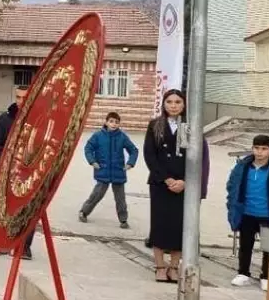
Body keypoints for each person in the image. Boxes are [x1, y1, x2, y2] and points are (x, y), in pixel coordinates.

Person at [226, 135, 269, 291]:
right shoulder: (242, 166)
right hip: (247, 212)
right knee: (245, 244)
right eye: (256, 148)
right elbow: (232, 186)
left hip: (268, 214)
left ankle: (267, 276)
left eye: (264, 149)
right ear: (252, 148)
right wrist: (232, 205)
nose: (259, 152)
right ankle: (243, 273)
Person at [144, 89, 189, 284]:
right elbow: (150, 155)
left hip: (183, 184)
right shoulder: (155, 125)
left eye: (178, 102)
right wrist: (166, 179)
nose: (173, 105)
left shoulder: (189, 127)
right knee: (160, 225)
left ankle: (174, 267)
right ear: (163, 104)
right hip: (160, 183)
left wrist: (185, 181)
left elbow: (195, 158)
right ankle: (160, 266)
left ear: (184, 105)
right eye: (169, 102)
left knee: (179, 227)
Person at [0, 86, 37, 260]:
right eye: (18, 97)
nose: (21, 101)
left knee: (28, 210)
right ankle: (2, 243)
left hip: (30, 173)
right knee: (4, 208)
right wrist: (8, 165)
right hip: (8, 173)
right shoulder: (5, 118)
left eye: (24, 97)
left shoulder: (38, 118)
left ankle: (24, 247)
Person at [80, 112, 138, 229]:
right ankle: (84, 212)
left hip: (118, 171)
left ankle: (123, 220)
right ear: (106, 122)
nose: (114, 124)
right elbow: (88, 148)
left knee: (120, 198)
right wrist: (92, 161)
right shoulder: (98, 136)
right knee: (97, 195)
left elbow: (133, 150)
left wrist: (130, 163)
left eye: (116, 122)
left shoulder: (122, 137)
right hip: (103, 170)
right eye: (111, 121)